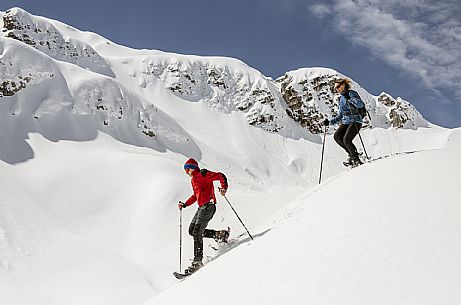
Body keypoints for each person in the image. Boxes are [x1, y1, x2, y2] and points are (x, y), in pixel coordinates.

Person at [178, 158, 229, 274]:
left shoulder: (203, 174)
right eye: (185, 170)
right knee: (192, 230)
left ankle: (197, 262)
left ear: (193, 167)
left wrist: (224, 187)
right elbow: (195, 196)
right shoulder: (193, 180)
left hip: (208, 206)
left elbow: (220, 176)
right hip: (201, 207)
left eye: (187, 169)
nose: (186, 172)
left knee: (197, 232)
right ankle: (219, 234)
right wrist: (185, 204)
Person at [323, 78, 365, 167]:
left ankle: (356, 160)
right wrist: (329, 122)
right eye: (336, 88)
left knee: (346, 139)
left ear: (343, 85)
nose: (337, 89)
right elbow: (340, 115)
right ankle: (352, 155)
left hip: (355, 120)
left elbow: (360, 104)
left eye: (338, 87)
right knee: (337, 136)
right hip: (346, 121)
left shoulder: (351, 93)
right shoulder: (341, 98)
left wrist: (350, 98)